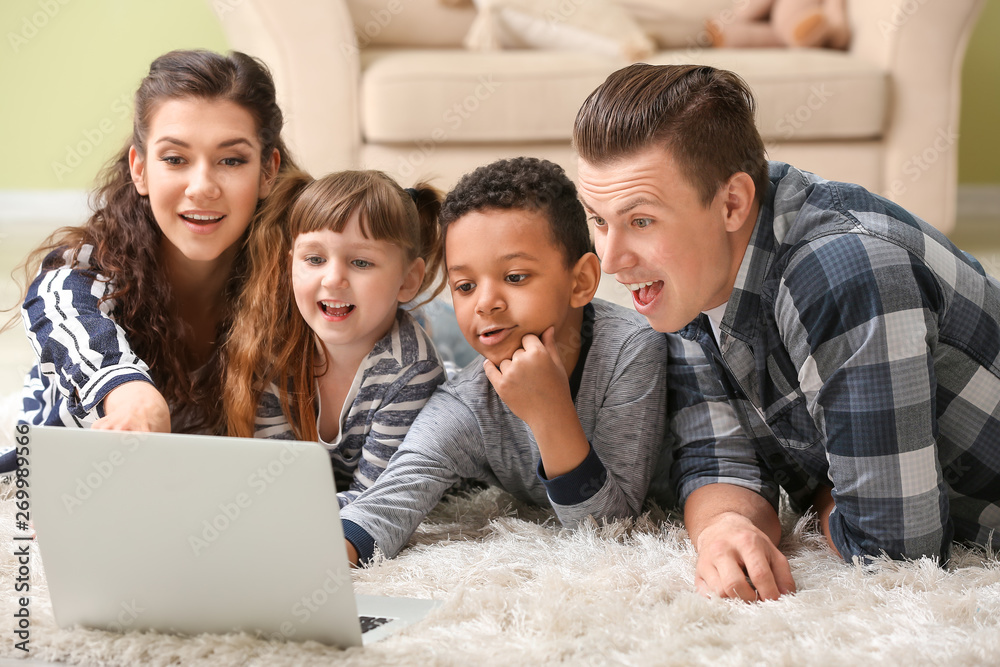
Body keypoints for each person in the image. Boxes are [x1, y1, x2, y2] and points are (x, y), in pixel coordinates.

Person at [573, 63, 1000, 601]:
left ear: (732, 203)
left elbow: (898, 554)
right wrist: (725, 526)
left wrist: (821, 495)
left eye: (640, 221)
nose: (610, 260)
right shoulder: (690, 277)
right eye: (598, 219)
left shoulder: (844, 275)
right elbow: (715, 449)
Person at [338, 156, 681, 565]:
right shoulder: (465, 403)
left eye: (515, 277)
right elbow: (388, 502)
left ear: (582, 281)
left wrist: (549, 411)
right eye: (464, 286)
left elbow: (610, 529)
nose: (485, 303)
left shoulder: (633, 347)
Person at [0, 49, 298, 473]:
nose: (202, 187)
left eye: (231, 160)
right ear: (139, 169)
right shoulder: (89, 269)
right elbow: (59, 303)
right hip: (50, 409)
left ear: (268, 171)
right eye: (175, 159)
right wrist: (130, 396)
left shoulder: (306, 271)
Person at [224, 170, 447, 507]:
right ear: (291, 267)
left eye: (361, 262)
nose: (333, 279)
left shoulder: (413, 371)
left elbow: (372, 502)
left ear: (408, 280)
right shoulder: (273, 349)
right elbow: (276, 482)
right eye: (314, 259)